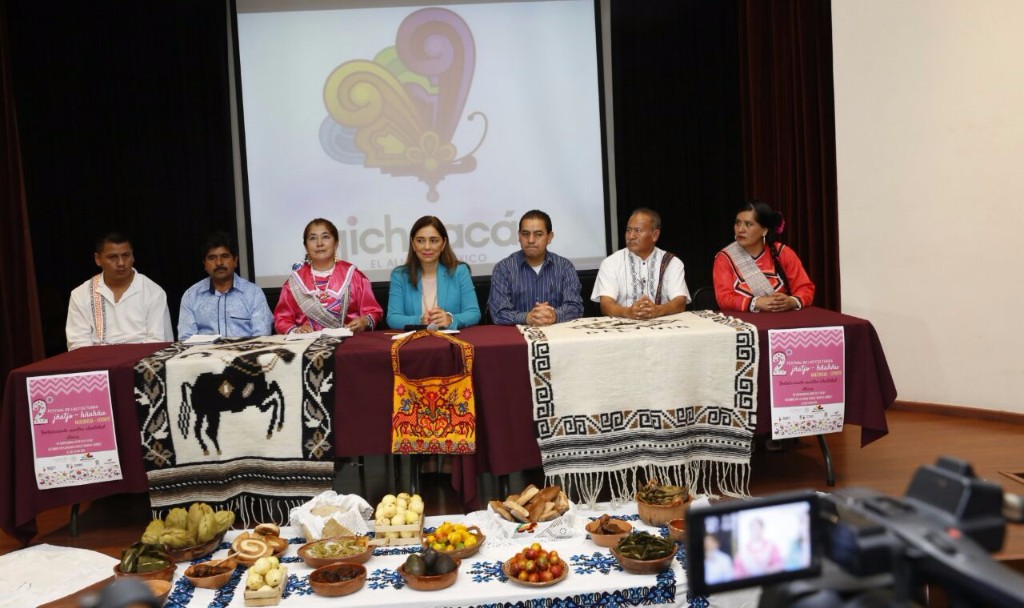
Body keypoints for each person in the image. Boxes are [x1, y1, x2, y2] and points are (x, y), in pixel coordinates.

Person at [66, 232, 174, 350]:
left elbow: (159, 342)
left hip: (143, 364)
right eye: (113, 257)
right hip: (98, 364)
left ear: (133, 256)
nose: (121, 263)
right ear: (98, 259)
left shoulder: (153, 292)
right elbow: (78, 345)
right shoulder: (81, 294)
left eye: (126, 255)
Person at [273, 218, 382, 334]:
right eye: (313, 238)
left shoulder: (354, 276)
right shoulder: (294, 283)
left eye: (325, 237)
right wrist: (296, 330)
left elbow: (374, 312)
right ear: (306, 247)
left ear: (336, 243)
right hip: (306, 347)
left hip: (350, 345)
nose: (319, 243)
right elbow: (281, 320)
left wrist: (365, 321)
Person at [713, 201, 815, 312]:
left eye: (748, 224)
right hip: (744, 323)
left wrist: (792, 301)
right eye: (738, 223)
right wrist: (755, 303)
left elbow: (805, 288)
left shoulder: (783, 253)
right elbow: (724, 298)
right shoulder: (725, 258)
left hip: (782, 320)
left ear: (764, 230)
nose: (740, 229)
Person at [487, 210, 583, 326]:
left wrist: (554, 315)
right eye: (525, 234)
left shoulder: (564, 267)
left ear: (549, 237)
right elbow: (498, 313)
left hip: (558, 338)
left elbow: (575, 307)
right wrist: (527, 317)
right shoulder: (503, 269)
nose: (531, 240)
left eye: (538, 234)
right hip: (517, 339)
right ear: (519, 236)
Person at [591, 207, 691, 319]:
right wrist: (628, 312)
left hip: (664, 329)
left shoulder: (672, 263)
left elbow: (680, 302)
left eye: (637, 231)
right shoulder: (611, 263)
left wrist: (658, 310)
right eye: (628, 230)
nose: (631, 236)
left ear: (655, 235)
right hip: (623, 329)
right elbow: (606, 305)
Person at [387, 215, 480, 330]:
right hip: (415, 344)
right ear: (413, 243)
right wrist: (419, 320)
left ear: (443, 243)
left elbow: (473, 313)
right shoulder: (400, 275)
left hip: (451, 342)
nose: (427, 247)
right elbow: (393, 318)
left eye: (434, 241)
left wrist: (450, 319)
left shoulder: (459, 271)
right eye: (420, 241)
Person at [178, 231, 273, 341]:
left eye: (225, 256)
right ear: (204, 264)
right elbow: (186, 339)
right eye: (212, 258)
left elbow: (262, 336)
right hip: (204, 356)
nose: (219, 263)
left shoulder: (253, 293)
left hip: (245, 355)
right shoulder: (191, 296)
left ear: (235, 261)